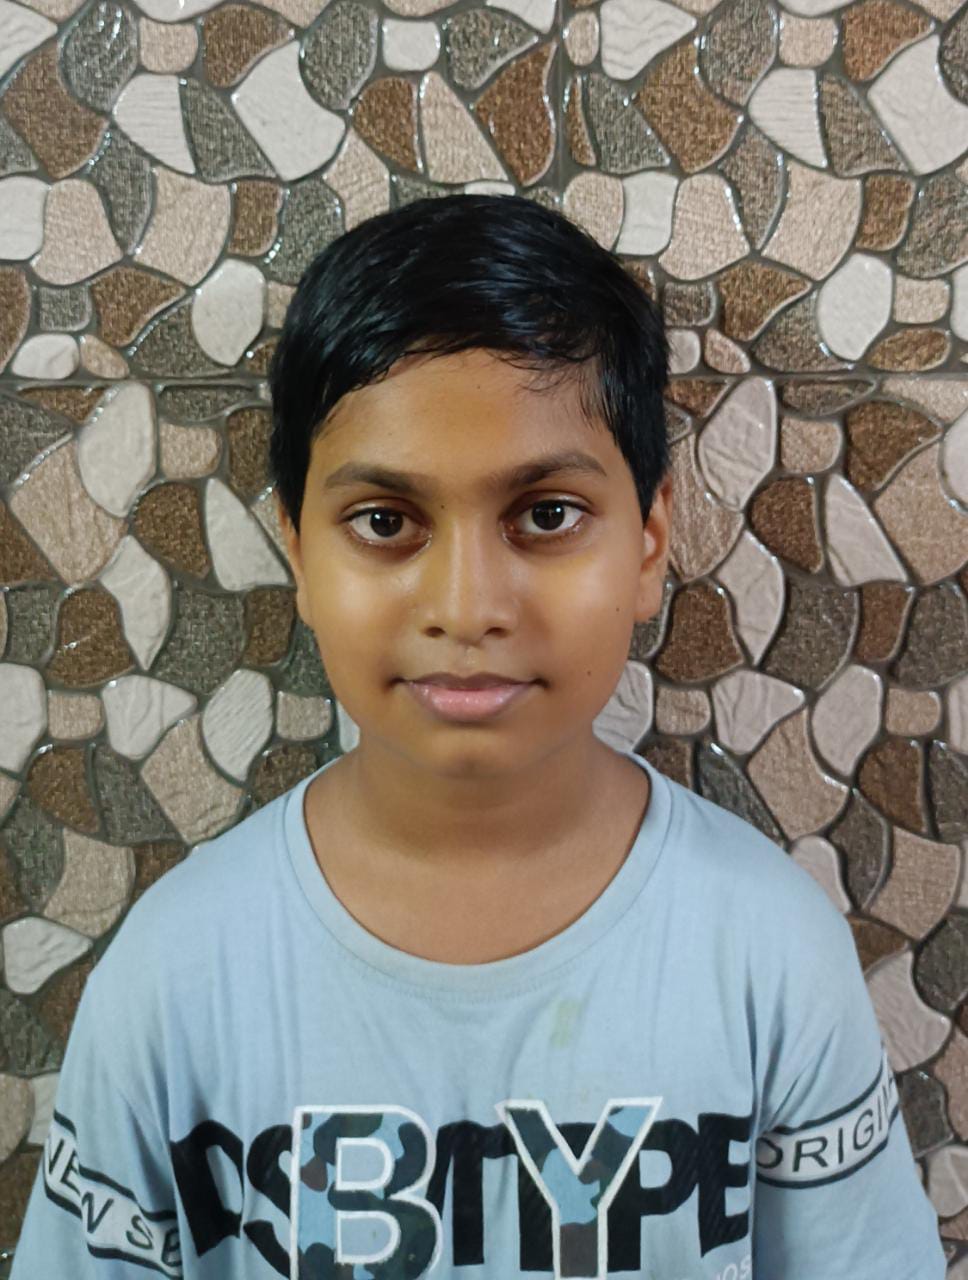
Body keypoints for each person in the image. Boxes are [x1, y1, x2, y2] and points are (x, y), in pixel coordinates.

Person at [10, 193, 945, 1279]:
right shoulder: (175, 978)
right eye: (385, 522)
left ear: (648, 542)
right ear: (298, 551)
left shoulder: (766, 955)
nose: (466, 607)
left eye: (545, 514)